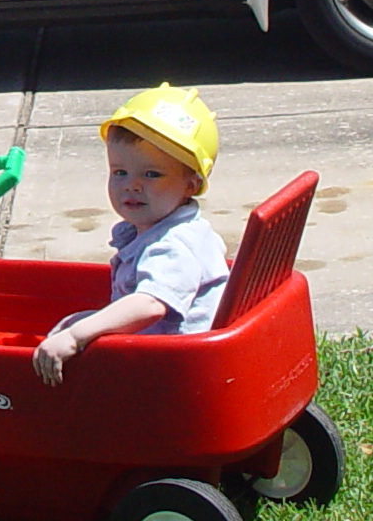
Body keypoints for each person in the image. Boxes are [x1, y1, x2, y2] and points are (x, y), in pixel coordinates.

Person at [32, 84, 229, 386]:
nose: (131, 185)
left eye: (152, 174)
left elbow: (150, 304)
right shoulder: (183, 227)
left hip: (168, 372)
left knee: (74, 348)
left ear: (191, 184)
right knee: (77, 323)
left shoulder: (173, 243)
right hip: (164, 354)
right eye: (119, 172)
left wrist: (76, 336)